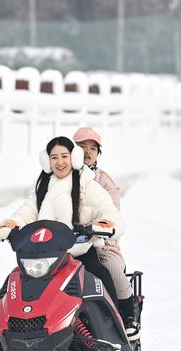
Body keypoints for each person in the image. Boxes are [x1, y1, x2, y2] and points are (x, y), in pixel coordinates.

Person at [0, 136, 138, 336]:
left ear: (74, 158)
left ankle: (115, 327)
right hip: (44, 256)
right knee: (13, 285)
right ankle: (8, 334)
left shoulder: (87, 184)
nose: (60, 162)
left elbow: (108, 210)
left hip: (79, 253)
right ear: (47, 161)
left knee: (100, 276)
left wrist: (103, 224)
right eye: (54, 157)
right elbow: (26, 212)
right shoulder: (43, 187)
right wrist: (11, 226)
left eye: (64, 156)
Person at [73, 127, 139, 340]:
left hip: (102, 243)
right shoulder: (64, 176)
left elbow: (112, 211)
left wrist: (97, 226)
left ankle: (126, 317)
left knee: (110, 268)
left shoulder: (103, 181)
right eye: (82, 146)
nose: (87, 152)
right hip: (70, 244)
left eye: (93, 148)